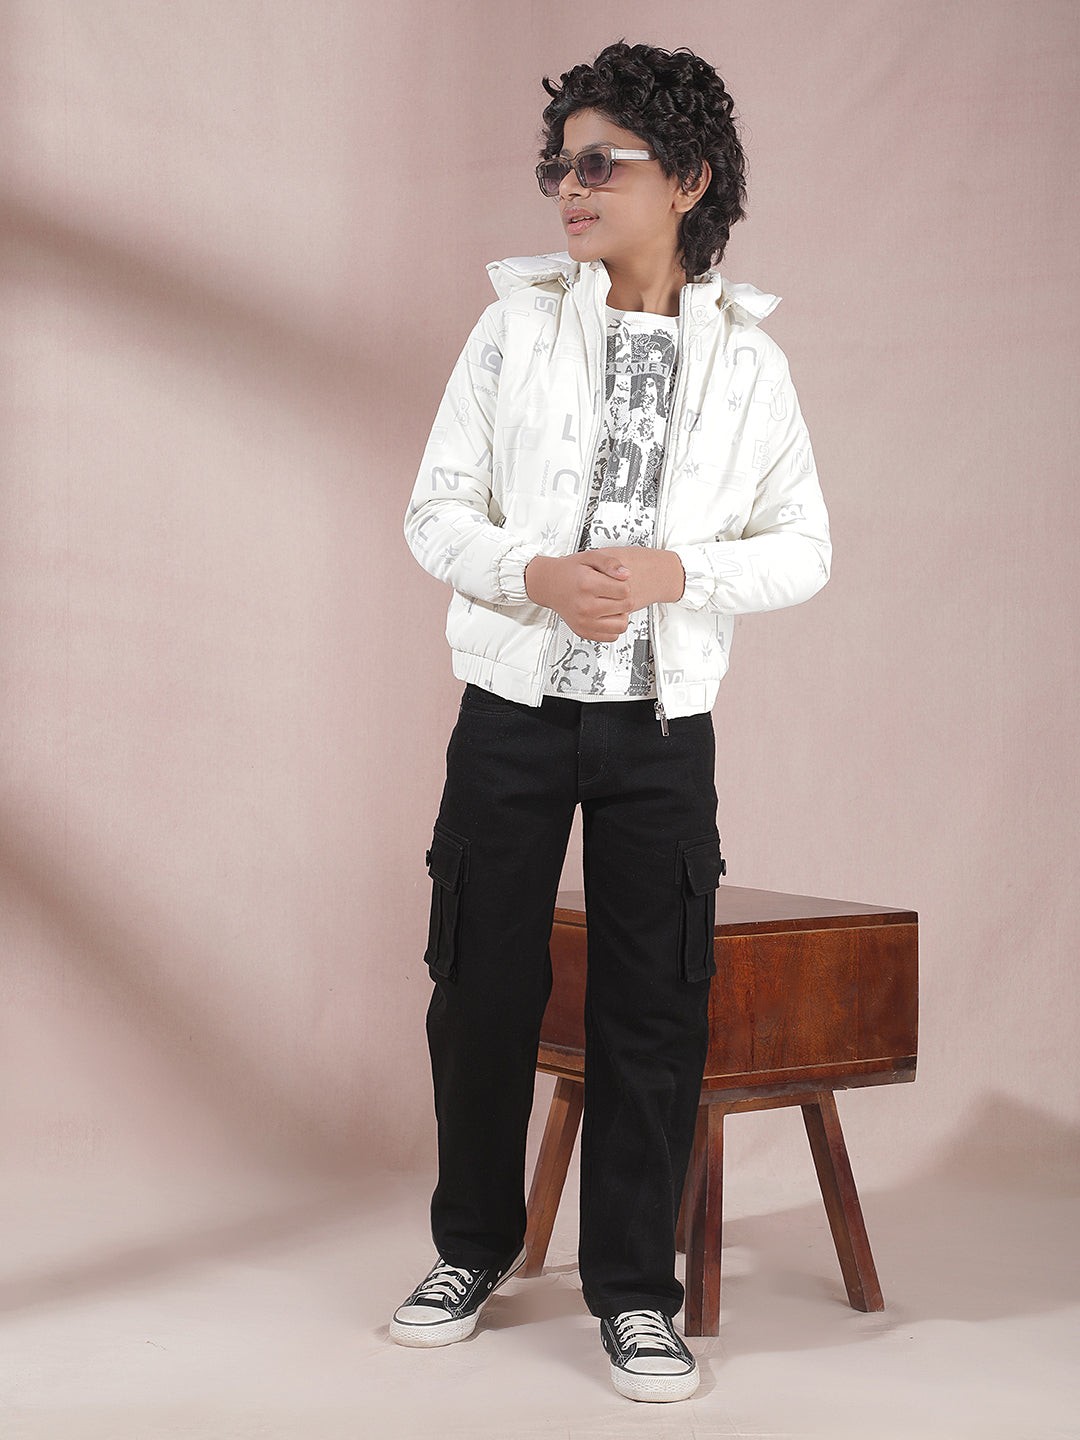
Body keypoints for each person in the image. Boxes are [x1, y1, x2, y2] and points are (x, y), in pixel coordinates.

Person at [393, 41, 831, 1403]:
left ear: (687, 179)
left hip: (661, 730)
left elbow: (805, 547)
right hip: (512, 712)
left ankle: (637, 1294)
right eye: (559, 167)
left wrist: (677, 573)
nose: (569, 190)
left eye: (602, 164)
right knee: (480, 991)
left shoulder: (750, 365)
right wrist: (532, 574)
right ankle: (470, 1249)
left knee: (655, 1007)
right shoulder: (513, 330)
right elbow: (433, 514)